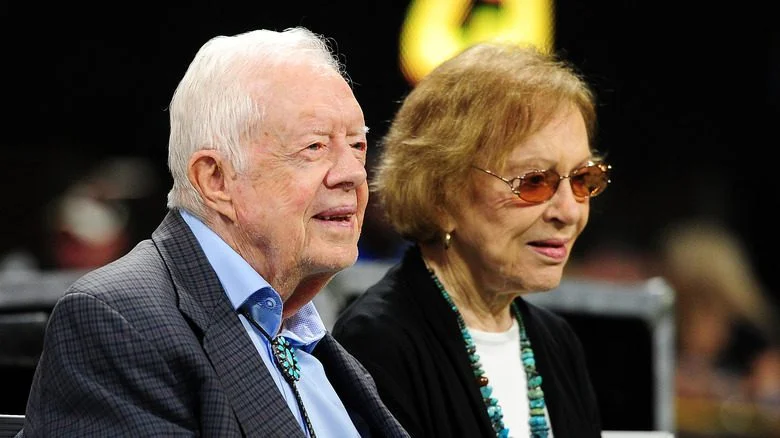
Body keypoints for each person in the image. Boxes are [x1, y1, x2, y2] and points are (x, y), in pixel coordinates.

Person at [18, 27, 409, 438]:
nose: (352, 174)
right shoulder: (116, 322)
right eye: (315, 147)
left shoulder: (309, 333)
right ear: (216, 179)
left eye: (357, 146)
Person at [332, 41, 608, 438]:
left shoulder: (556, 342)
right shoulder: (377, 344)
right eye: (533, 182)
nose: (568, 212)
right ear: (442, 193)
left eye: (582, 180)